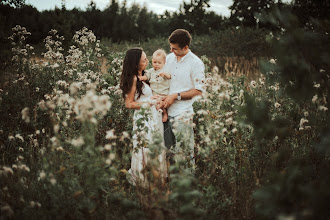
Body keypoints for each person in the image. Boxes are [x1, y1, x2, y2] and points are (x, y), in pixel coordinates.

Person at [158, 29, 205, 170]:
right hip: (165, 112)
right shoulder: (170, 58)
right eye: (170, 48)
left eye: (175, 48)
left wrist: (176, 96)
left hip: (182, 113)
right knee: (168, 152)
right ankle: (172, 185)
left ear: (185, 47)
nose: (171, 51)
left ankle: (187, 185)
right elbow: (162, 79)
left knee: (185, 153)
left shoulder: (196, 63)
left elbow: (199, 91)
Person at [120, 48, 167, 187]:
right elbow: (129, 104)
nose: (148, 61)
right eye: (144, 60)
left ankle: (156, 178)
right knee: (145, 147)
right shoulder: (133, 78)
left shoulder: (145, 75)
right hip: (143, 118)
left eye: (147, 58)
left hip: (154, 116)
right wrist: (149, 103)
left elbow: (144, 96)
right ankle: (143, 180)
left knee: (156, 145)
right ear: (136, 64)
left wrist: (155, 97)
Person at [138, 49, 171, 122]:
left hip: (163, 92)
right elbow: (147, 76)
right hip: (154, 93)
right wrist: (143, 78)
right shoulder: (150, 71)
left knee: (161, 103)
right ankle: (157, 116)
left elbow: (169, 76)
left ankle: (165, 113)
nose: (156, 64)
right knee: (155, 104)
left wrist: (165, 74)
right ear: (152, 61)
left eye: (159, 63)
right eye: (155, 62)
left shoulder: (165, 70)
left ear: (164, 63)